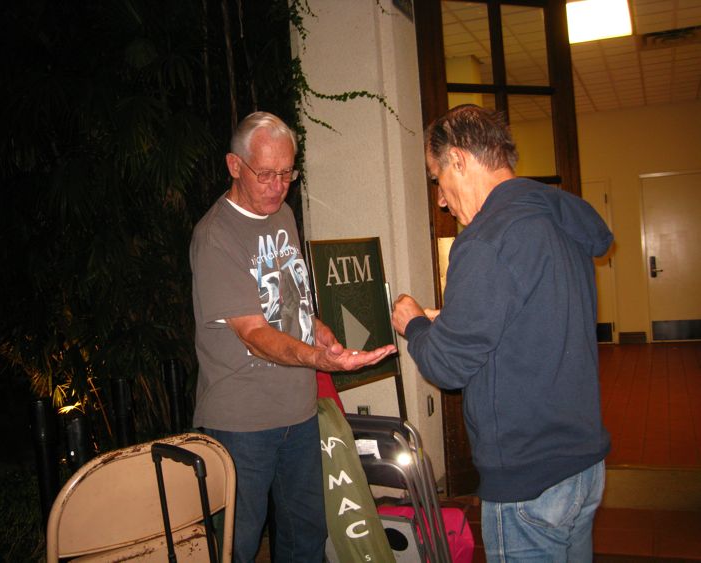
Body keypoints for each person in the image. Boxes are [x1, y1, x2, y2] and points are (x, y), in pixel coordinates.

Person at [391, 104, 613, 562]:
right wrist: (451, 322)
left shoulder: (487, 239)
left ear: (458, 159)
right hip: (583, 467)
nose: (440, 198)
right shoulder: (556, 217)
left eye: (436, 179)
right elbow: (530, 321)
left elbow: (447, 366)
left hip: (528, 478)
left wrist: (412, 323)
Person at [190, 111, 396, 563]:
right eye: (265, 174)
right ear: (234, 165)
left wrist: (319, 334)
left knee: (307, 534)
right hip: (241, 422)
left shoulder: (281, 213)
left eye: (287, 174)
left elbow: (291, 299)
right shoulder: (216, 237)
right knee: (236, 547)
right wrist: (320, 363)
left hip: (299, 412)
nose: (278, 186)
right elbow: (255, 335)